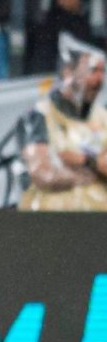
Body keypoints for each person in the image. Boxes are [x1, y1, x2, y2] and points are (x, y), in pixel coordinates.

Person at [18, 33, 107, 210]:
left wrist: (83, 161)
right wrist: (94, 172)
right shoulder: (38, 116)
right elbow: (43, 174)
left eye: (102, 71)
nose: (99, 80)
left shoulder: (103, 118)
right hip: (52, 222)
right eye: (92, 71)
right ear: (68, 71)